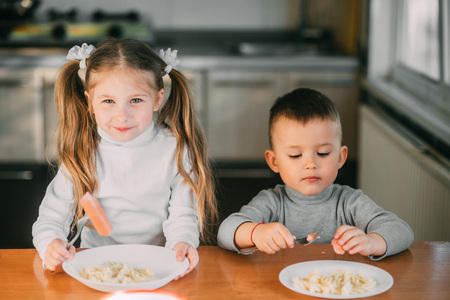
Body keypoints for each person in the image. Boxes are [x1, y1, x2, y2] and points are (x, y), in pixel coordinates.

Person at [32, 39, 218, 275]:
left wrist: (182, 244)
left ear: (158, 100)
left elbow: (183, 215)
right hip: (98, 268)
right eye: (108, 101)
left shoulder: (176, 149)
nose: (122, 115)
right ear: (90, 102)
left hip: (156, 267)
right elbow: (50, 217)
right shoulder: (83, 151)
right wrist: (50, 245)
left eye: (136, 100)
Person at [217, 88, 414, 260]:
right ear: (274, 161)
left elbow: (402, 231)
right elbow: (225, 232)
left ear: (340, 157)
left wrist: (372, 242)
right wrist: (256, 233)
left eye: (323, 153)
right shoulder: (272, 202)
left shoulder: (349, 202)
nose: (310, 164)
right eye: (295, 155)